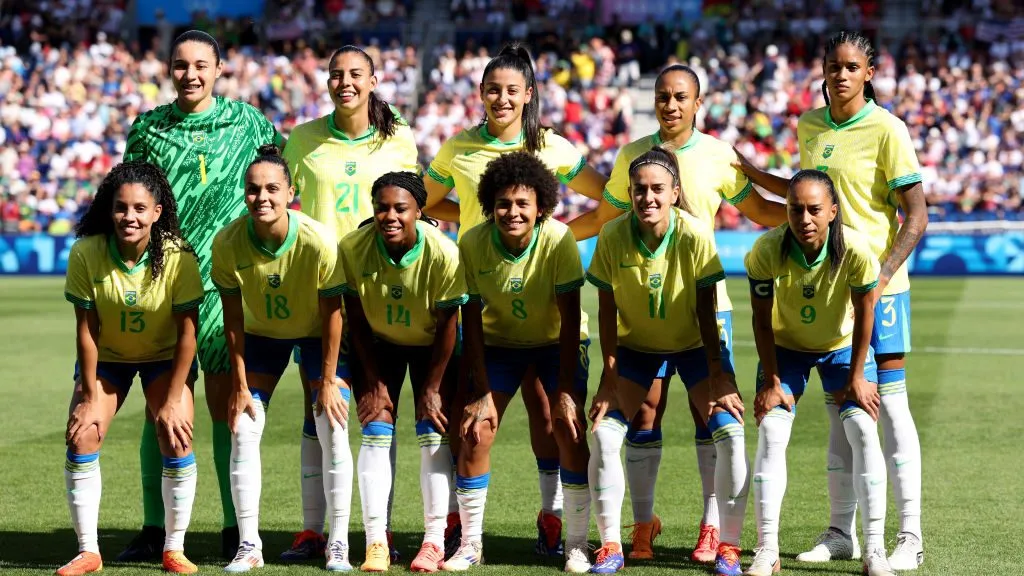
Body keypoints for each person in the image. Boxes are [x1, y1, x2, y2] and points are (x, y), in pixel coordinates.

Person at [568, 63, 786, 563]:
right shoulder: (632, 157)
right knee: (645, 413)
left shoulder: (717, 156)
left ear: (697, 103)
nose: (670, 105)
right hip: (642, 312)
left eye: (680, 97)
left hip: (705, 309)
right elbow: (605, 218)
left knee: (708, 415)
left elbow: (762, 212)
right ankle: (642, 527)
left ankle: (712, 528)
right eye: (663, 96)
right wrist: (551, 234)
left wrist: (809, 215)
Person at [734, 30, 928, 571]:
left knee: (886, 407)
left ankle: (909, 534)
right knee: (840, 408)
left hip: (875, 287)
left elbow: (916, 215)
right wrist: (752, 174)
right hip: (826, 284)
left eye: (851, 66)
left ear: (869, 72)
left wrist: (883, 276)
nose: (840, 74)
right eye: (832, 65)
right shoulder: (810, 125)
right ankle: (841, 529)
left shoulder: (889, 128)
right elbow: (807, 193)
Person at [424, 42, 608, 556]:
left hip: (545, 305)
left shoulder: (555, 147)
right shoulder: (459, 148)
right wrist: (472, 221)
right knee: (470, 419)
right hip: (484, 298)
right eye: (492, 90)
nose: (501, 99)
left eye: (511, 90)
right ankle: (461, 530)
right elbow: (427, 200)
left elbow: (610, 197)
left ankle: (554, 520)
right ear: (480, 94)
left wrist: (563, 233)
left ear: (529, 94)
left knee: (551, 419)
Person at [121, 29, 284, 561]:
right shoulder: (148, 127)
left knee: (225, 404)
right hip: (161, 283)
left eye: (200, 65)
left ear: (219, 70)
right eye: (179, 64)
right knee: (160, 404)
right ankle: (155, 530)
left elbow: (276, 177)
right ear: (169, 70)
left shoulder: (250, 123)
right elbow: (130, 195)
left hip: (223, 283)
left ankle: (238, 531)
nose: (189, 74)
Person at [281, 44, 419, 564]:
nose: (345, 83)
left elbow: (409, 207)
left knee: (378, 410)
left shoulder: (397, 139)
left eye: (355, 75)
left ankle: (377, 533)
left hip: (380, 293)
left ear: (373, 80)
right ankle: (314, 531)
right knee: (319, 409)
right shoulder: (303, 139)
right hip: (319, 294)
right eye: (336, 75)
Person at [585, 148, 749, 576]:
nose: (648, 197)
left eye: (658, 189)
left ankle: (728, 546)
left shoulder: (695, 234)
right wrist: (608, 378)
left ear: (675, 192)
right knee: (604, 435)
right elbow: (606, 312)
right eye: (640, 190)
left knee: (729, 432)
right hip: (637, 350)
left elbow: (707, 308)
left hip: (694, 347)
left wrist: (718, 373)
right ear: (629, 193)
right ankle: (612, 546)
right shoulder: (612, 235)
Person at [743, 170, 894, 576]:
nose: (804, 219)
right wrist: (772, 381)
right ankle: (766, 549)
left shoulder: (857, 251)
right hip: (785, 350)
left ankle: (873, 551)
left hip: (842, 349)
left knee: (862, 430)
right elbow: (760, 322)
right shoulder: (766, 249)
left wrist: (859, 375)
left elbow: (866, 315)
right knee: (773, 432)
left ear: (832, 211)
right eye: (795, 210)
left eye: (814, 210)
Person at [211, 146, 352, 572]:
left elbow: (333, 316)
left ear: (290, 191)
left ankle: (339, 543)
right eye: (253, 190)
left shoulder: (318, 240)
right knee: (243, 427)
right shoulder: (229, 242)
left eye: (272, 188)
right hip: (263, 338)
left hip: (315, 335)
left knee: (332, 421)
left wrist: (327, 380)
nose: (262, 197)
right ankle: (249, 545)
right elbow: (232, 320)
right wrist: (238, 384)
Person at [60, 161, 204, 576]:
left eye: (140, 209)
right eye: (122, 208)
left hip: (163, 359)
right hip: (107, 359)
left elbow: (187, 336)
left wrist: (175, 399)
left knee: (175, 436)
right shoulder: (86, 252)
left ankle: (173, 549)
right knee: (83, 435)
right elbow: (86, 332)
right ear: (110, 210)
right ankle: (89, 551)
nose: (130, 217)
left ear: (157, 212)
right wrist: (88, 399)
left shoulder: (178, 257)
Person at [451, 152, 592, 573]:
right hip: (498, 346)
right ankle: (471, 544)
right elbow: (470, 320)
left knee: (566, 427)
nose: (512, 212)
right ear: (490, 205)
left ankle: (577, 543)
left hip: (555, 344)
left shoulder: (558, 239)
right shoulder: (473, 242)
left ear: (541, 208)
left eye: (522, 204)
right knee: (475, 430)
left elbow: (569, 318)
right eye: (504, 204)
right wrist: (479, 389)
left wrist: (565, 391)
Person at [341, 172, 467, 573]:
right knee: (376, 426)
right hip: (380, 344)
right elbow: (356, 320)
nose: (390, 216)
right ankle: (377, 540)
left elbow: (450, 324)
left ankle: (433, 541)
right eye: (382, 207)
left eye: (400, 208)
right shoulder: (353, 248)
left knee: (432, 427)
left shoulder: (443, 253)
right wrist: (374, 382)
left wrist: (431, 387)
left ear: (419, 212)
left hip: (434, 347)